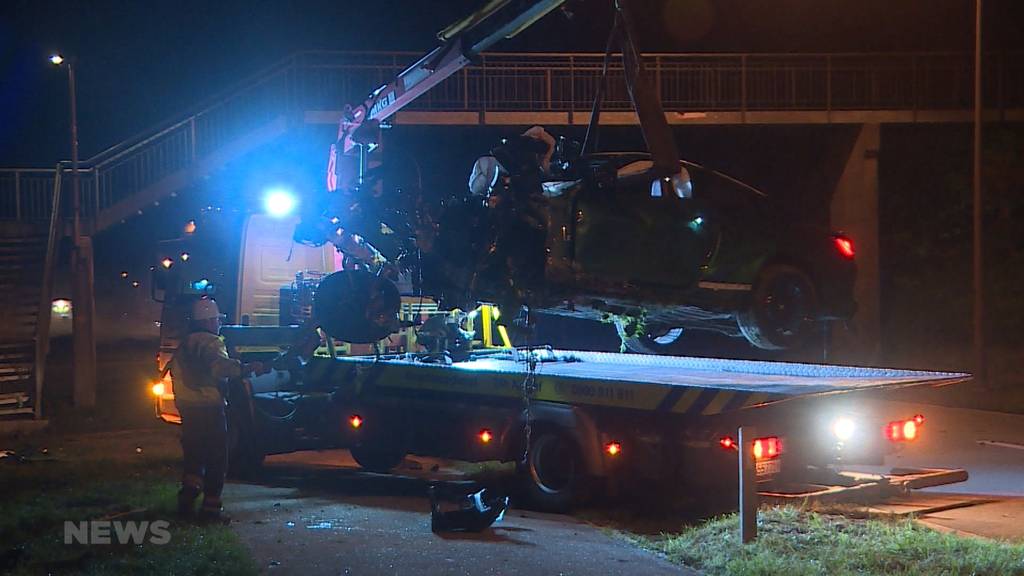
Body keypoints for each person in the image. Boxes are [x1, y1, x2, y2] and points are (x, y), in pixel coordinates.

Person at [171, 298, 266, 522]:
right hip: (209, 408)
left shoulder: (186, 343)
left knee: (195, 456)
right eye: (216, 319)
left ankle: (187, 498)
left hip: (188, 408)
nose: (218, 324)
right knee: (217, 457)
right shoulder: (211, 343)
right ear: (210, 320)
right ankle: (211, 510)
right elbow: (220, 367)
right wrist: (245, 368)